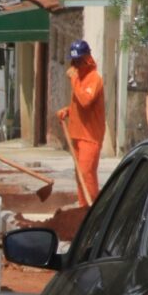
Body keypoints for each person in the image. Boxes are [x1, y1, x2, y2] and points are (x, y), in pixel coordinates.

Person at [57, 38, 105, 207]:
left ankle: (92, 210)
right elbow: (79, 105)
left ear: (88, 58)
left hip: (90, 136)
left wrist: (74, 80)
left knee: (86, 173)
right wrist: (68, 110)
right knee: (80, 174)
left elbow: (85, 101)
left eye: (80, 60)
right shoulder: (80, 79)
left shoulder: (94, 79)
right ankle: (83, 208)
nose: (77, 64)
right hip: (77, 134)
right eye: (75, 61)